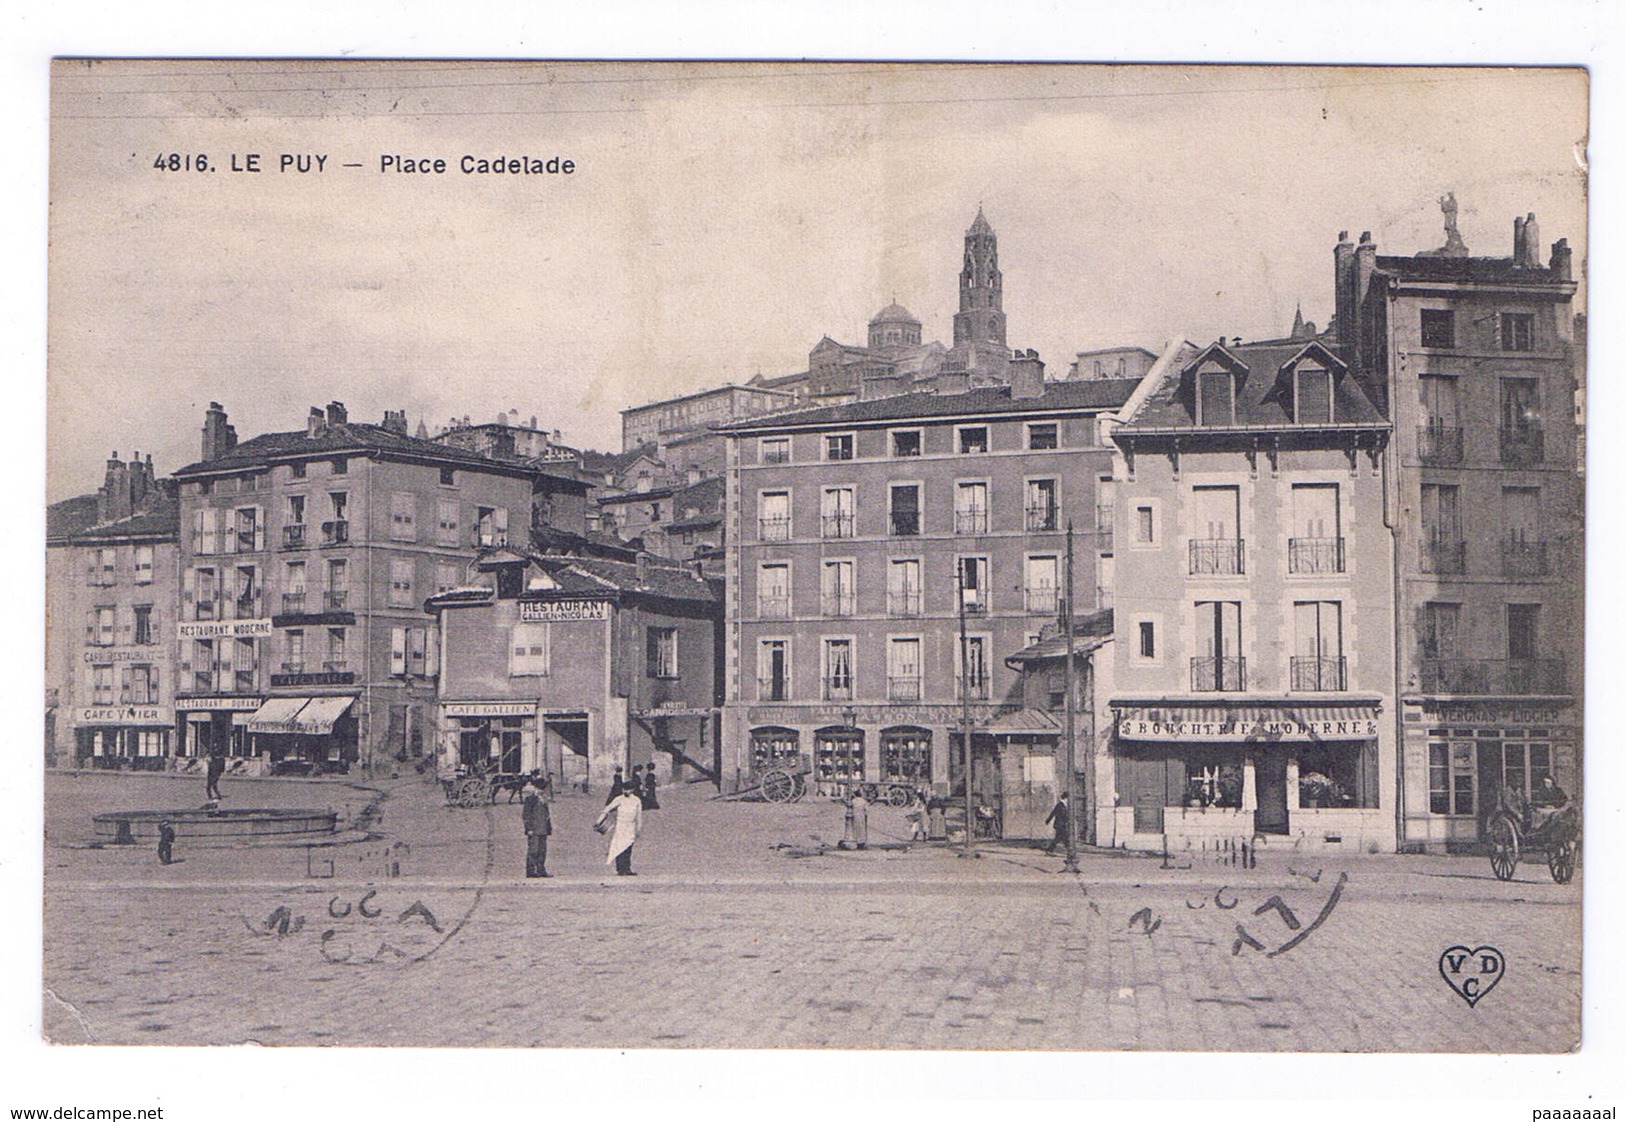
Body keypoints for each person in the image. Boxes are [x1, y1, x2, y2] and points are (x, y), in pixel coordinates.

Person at [595, 786, 644, 876]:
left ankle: (627, 868)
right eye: (624, 789)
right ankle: (620, 869)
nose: (626, 791)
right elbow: (607, 809)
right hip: (620, 826)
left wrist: (638, 828)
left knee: (628, 847)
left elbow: (639, 816)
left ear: (632, 790)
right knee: (619, 846)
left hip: (631, 826)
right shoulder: (619, 799)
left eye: (628, 789)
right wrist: (599, 821)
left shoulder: (636, 800)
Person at [521, 778, 553, 878]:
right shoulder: (530, 799)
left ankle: (541, 869)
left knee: (542, 851)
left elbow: (547, 816)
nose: (541, 791)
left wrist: (548, 828)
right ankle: (531, 871)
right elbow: (526, 815)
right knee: (533, 851)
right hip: (534, 829)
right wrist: (528, 828)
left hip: (543, 829)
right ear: (535, 788)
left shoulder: (544, 799)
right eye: (540, 789)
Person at [1044, 790, 1073, 856]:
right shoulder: (1060, 805)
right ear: (1066, 798)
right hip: (1060, 824)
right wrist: (1048, 820)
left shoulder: (1063, 805)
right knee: (1064, 838)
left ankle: (1049, 851)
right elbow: (1053, 813)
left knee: (1059, 838)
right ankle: (1069, 852)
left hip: (1061, 824)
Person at [843, 785, 869, 850]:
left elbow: (849, 805)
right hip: (861, 816)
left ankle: (855, 840)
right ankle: (861, 841)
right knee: (861, 829)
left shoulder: (853, 801)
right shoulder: (863, 801)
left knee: (855, 828)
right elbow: (867, 809)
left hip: (854, 815)